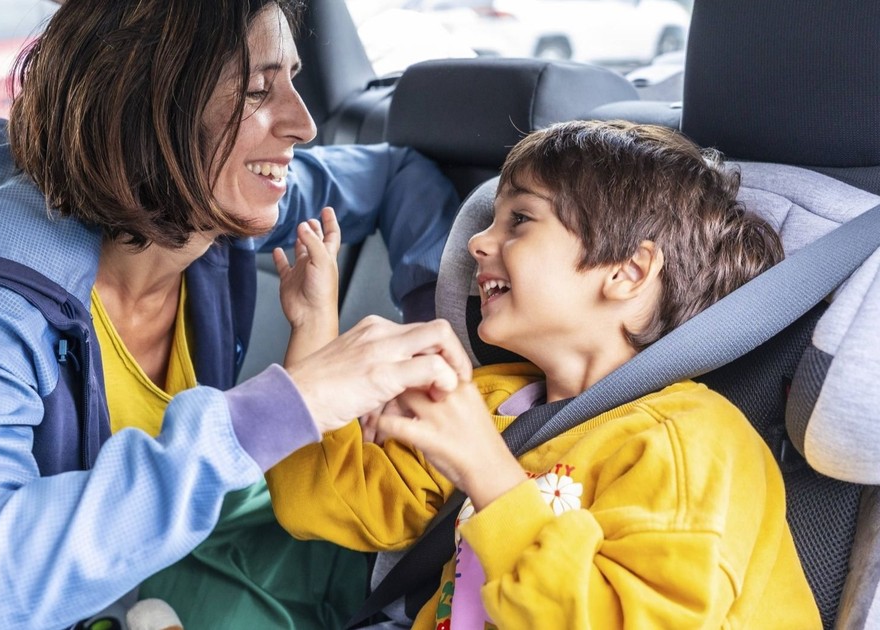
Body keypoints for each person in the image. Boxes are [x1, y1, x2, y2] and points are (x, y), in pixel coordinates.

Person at [0, 0, 469, 628]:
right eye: (258, 91)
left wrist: (434, 332)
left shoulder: (208, 207)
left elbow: (401, 177)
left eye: (292, 79)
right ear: (149, 111)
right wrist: (292, 404)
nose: (304, 124)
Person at [267, 120, 821, 628]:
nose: (476, 243)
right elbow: (319, 501)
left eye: (520, 220)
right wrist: (313, 329)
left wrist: (486, 470)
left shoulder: (690, 442)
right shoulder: (492, 405)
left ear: (629, 271)